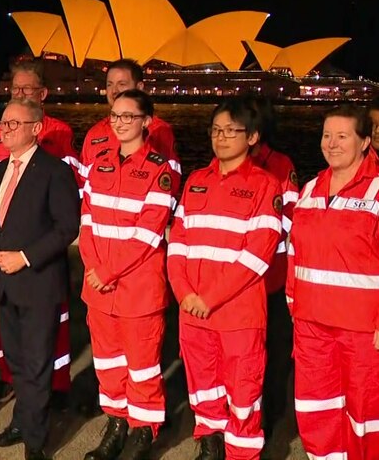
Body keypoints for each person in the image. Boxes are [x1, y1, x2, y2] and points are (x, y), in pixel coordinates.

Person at [167, 98, 282, 460]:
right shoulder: (197, 181)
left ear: (252, 137)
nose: (222, 137)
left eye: (231, 130)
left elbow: (256, 255)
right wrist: (185, 294)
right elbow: (177, 244)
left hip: (237, 314)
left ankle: (242, 452)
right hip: (193, 312)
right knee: (202, 386)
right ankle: (210, 444)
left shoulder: (266, 185)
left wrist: (209, 298)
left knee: (244, 390)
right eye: (216, 130)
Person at [0, 98, 80, 460]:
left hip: (38, 284)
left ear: (36, 128)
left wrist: (24, 257)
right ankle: (21, 423)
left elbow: (66, 226)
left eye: (13, 125)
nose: (4, 131)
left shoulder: (56, 171)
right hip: (4, 285)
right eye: (2, 125)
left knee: (37, 364)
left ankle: (35, 441)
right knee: (18, 363)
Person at [80, 90, 174, 460]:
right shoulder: (98, 163)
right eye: (115, 116)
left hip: (137, 288)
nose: (119, 122)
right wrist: (93, 268)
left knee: (142, 365)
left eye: (128, 116)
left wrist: (106, 270)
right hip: (99, 287)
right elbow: (86, 220)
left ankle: (142, 430)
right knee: (108, 363)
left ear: (147, 122)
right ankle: (116, 422)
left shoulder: (159, 171)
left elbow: (148, 234)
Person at [288, 104, 379, 460]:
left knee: (366, 415)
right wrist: (295, 306)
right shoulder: (311, 188)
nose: (332, 144)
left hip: (362, 330)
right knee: (316, 409)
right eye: (327, 135)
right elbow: (296, 252)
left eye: (343, 136)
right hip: (312, 326)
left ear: (365, 142)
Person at [245, 95, 299, 439]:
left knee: (273, 354)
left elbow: (290, 223)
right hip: (238, 284)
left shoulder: (281, 166)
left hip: (272, 281)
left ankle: (270, 419)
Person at [80, 59, 181, 193]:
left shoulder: (159, 131)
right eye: (109, 85)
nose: (114, 91)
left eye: (122, 84)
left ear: (139, 87)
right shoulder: (95, 133)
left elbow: (170, 182)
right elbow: (82, 182)